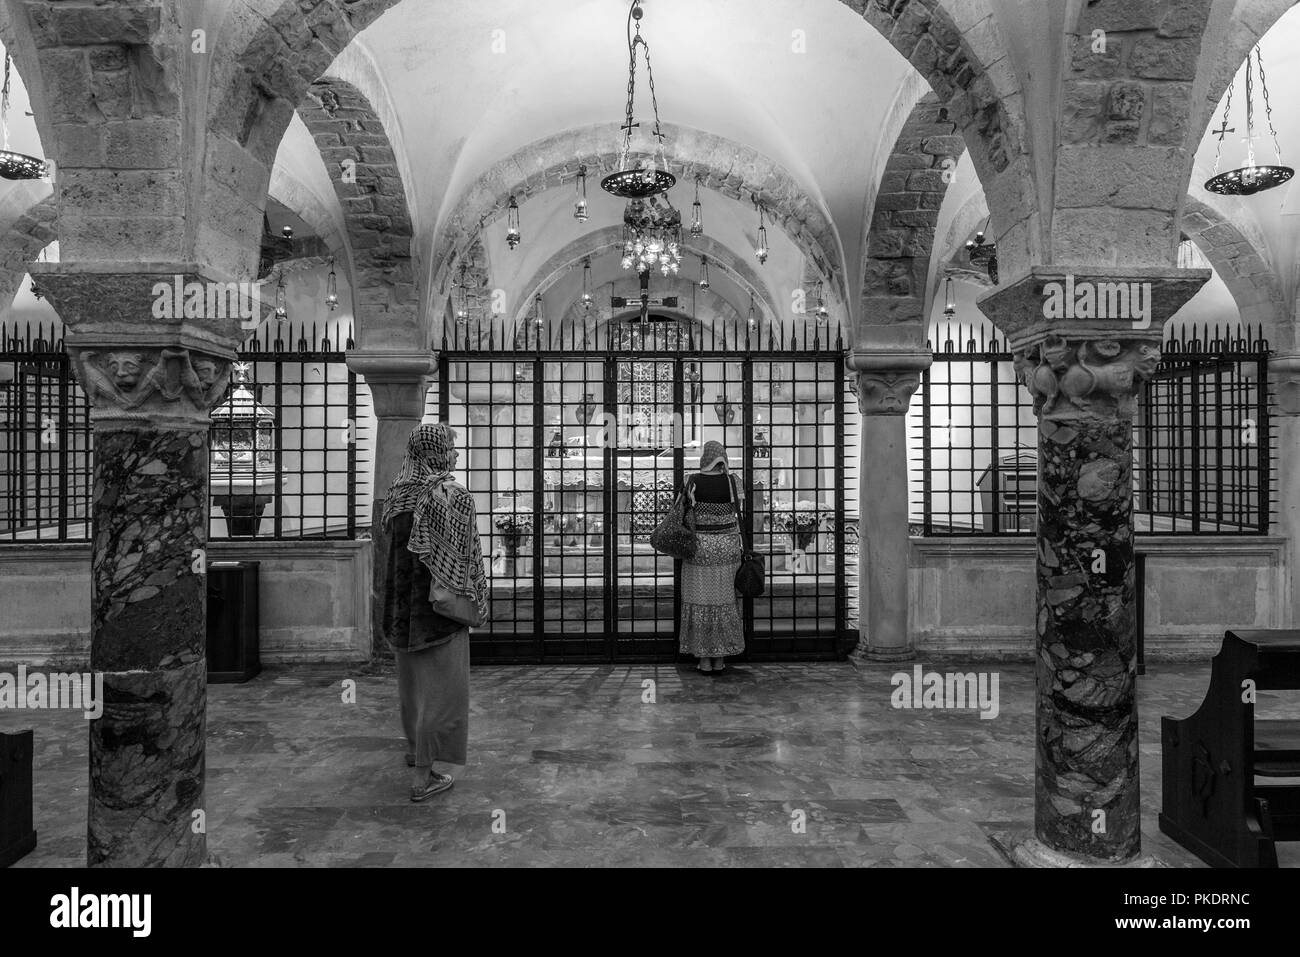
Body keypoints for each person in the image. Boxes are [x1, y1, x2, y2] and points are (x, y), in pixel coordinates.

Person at [378, 422, 484, 802]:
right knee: (444, 696)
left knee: (414, 693)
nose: (455, 454)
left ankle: (414, 750)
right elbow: (463, 559)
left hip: (399, 613)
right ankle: (424, 776)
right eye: (451, 447)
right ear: (437, 452)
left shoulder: (397, 494)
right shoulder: (450, 496)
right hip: (438, 614)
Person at [678, 440, 745, 673]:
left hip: (700, 549)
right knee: (724, 602)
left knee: (700, 601)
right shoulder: (733, 481)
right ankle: (721, 658)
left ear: (705, 458)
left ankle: (704, 659)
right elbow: (739, 510)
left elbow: (683, 510)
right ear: (723, 458)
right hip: (727, 549)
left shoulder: (692, 481)